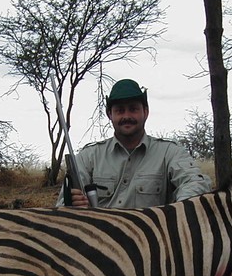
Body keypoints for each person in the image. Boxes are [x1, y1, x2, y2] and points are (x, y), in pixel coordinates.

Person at [56, 79, 212, 208]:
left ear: (146, 112)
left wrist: (176, 211)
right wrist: (72, 205)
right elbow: (62, 205)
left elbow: (195, 182)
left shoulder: (170, 152)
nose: (127, 116)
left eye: (133, 109)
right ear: (110, 114)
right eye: (120, 110)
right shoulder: (88, 156)